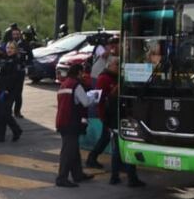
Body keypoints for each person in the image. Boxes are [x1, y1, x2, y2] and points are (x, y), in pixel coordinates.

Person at [88, 57, 144, 187]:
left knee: (116, 147)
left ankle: (117, 174)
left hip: (115, 120)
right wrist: (104, 117)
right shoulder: (105, 80)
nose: (119, 67)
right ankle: (126, 176)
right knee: (118, 146)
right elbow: (101, 99)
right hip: (113, 120)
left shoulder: (116, 79)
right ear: (110, 65)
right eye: (117, 64)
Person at [55, 62, 94, 188]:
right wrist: (94, 97)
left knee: (73, 149)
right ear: (78, 73)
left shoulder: (64, 84)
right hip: (71, 122)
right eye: (82, 72)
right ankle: (62, 178)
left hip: (62, 121)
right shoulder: (76, 85)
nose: (83, 75)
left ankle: (78, 174)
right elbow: (85, 102)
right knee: (68, 151)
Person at [0, 41, 24, 142]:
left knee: (4, 113)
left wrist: (6, 89)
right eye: (7, 48)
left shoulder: (17, 61)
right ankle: (2, 135)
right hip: (3, 89)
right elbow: (1, 74)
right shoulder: (5, 59)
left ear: (16, 50)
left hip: (10, 91)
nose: (9, 50)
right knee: (2, 113)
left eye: (11, 48)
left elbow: (14, 78)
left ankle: (15, 130)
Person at [7, 24, 30, 118]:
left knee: (18, 92)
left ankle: (17, 111)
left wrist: (26, 65)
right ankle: (8, 109)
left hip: (20, 71)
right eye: (14, 34)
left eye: (17, 34)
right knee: (9, 90)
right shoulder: (9, 44)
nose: (16, 36)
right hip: (10, 70)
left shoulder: (25, 44)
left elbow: (31, 57)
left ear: (20, 34)